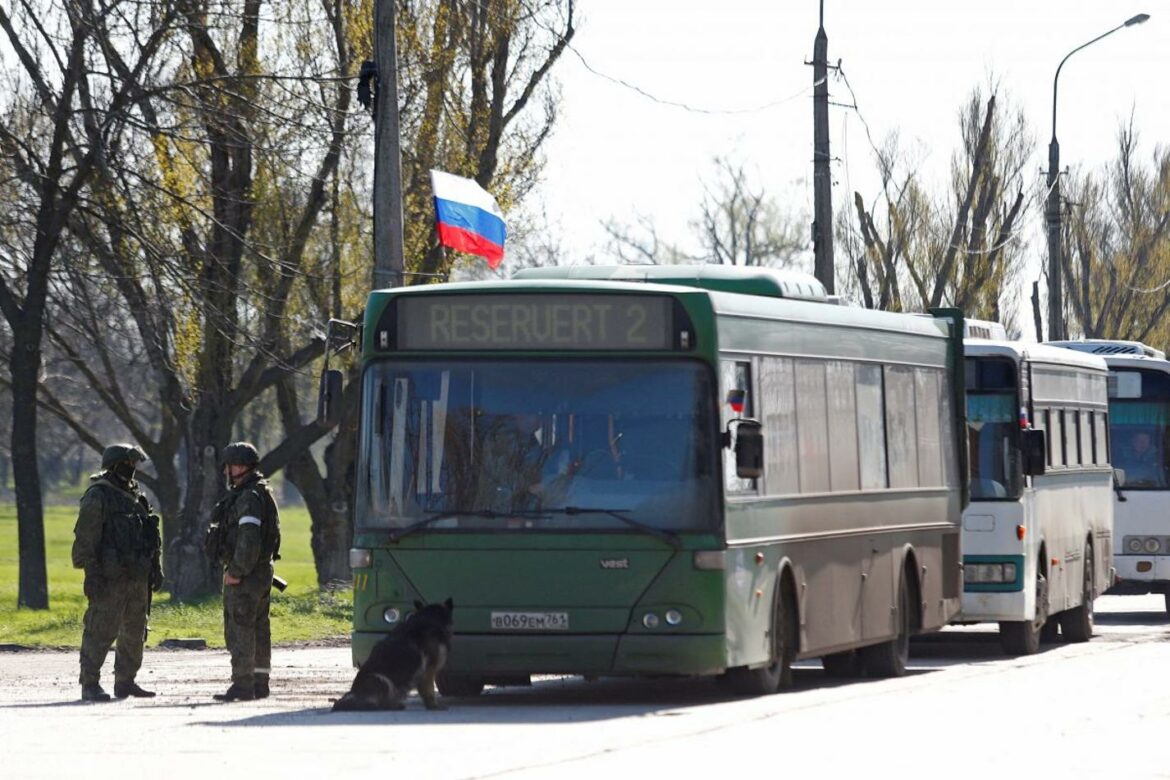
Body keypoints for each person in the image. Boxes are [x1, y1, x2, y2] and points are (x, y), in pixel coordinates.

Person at [71, 443, 163, 702]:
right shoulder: (99, 495)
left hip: (137, 576)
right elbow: (86, 537)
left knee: (135, 631)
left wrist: (156, 568)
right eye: (128, 464)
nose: (132, 469)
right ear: (114, 465)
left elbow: (151, 537)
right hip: (109, 576)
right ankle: (90, 683)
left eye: (134, 464)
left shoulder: (137, 497)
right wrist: (91, 572)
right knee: (100, 629)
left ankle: (126, 681)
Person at [205, 442, 281, 702]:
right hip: (260, 571)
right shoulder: (261, 492)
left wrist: (236, 570)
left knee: (241, 628)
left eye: (229, 466)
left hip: (247, 574)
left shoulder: (248, 497)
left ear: (238, 467)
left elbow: (249, 538)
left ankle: (243, 685)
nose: (227, 471)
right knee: (259, 628)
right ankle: (259, 683)